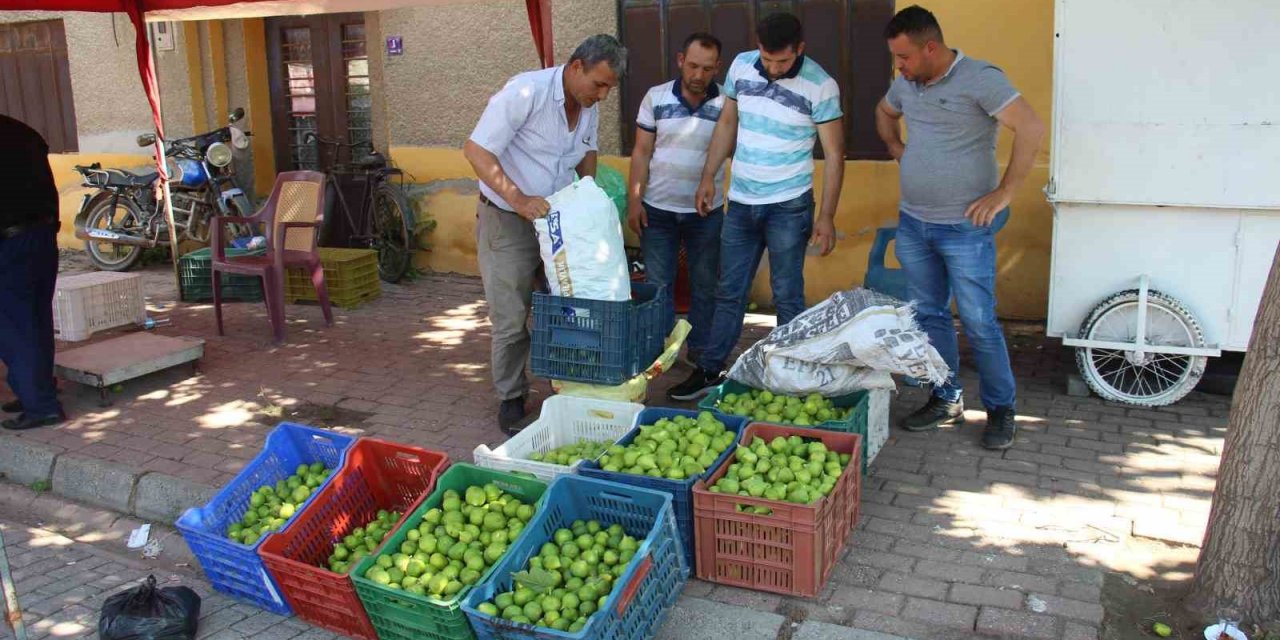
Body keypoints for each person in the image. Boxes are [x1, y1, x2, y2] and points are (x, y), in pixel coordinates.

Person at [874, 6, 1045, 450]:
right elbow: (884, 111)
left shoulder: (981, 77)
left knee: (978, 321)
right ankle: (946, 397)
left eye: (904, 57)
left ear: (930, 47)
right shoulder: (908, 83)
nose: (900, 67)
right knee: (930, 314)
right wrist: (897, 149)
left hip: (964, 229)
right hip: (915, 223)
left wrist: (1004, 193)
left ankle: (1002, 409)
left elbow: (1030, 127)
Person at [668, 12, 845, 401]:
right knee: (729, 291)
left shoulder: (821, 85)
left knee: (787, 294)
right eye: (767, 59)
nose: (772, 68)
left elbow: (834, 155)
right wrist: (707, 177)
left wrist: (827, 215)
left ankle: (791, 375)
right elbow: (728, 123)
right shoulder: (741, 66)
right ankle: (710, 370)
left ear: (800, 49)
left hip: (789, 206)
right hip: (742, 203)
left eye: (782, 62)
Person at [463, 35, 627, 434]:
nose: (603, 95)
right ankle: (511, 396)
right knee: (511, 314)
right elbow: (476, 150)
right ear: (576, 68)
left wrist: (585, 193)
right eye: (598, 84)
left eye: (609, 88)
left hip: (556, 221)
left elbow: (587, 149)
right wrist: (518, 199)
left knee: (566, 304)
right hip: (507, 218)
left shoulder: (587, 105)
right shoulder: (526, 91)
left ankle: (568, 384)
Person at [626, 32, 726, 369]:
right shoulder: (655, 97)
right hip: (658, 209)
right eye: (693, 65)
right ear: (681, 60)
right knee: (658, 284)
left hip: (706, 213)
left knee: (705, 284)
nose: (699, 75)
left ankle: (698, 350)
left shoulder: (727, 104)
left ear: (717, 68)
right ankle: (661, 349)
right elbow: (641, 152)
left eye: (707, 69)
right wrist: (634, 201)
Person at [0, 115, 66, 431]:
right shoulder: (24, 131)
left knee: (15, 326)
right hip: (41, 235)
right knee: (37, 319)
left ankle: (41, 406)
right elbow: (48, 185)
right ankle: (36, 391)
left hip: (9, 243)